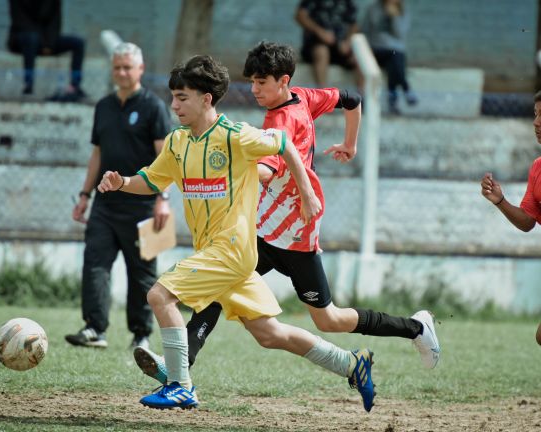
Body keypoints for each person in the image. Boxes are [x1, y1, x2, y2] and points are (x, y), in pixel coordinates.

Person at [132, 41, 440, 389]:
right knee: (218, 285)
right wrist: (350, 144)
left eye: (262, 82)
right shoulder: (304, 96)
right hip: (265, 228)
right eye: (252, 81)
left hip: (293, 231)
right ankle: (181, 365)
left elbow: (264, 170)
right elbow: (352, 99)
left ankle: (415, 328)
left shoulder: (281, 119)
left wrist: (221, 167)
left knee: (329, 319)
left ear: (283, 80)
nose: (254, 90)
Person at [98, 54, 377, 412]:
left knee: (159, 296)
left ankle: (180, 385)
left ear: (206, 99)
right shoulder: (178, 142)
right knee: (269, 334)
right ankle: (353, 365)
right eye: (173, 97)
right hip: (223, 255)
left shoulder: (234, 135)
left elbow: (283, 144)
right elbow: (152, 180)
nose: (174, 104)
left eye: (182, 97)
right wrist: (122, 182)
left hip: (230, 250)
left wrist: (307, 192)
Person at [64, 42, 172, 350]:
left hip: (143, 205)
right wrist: (85, 194)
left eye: (128, 67)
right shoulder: (103, 106)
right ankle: (94, 329)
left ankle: (141, 335)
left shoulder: (154, 107)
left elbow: (165, 158)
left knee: (142, 273)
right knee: (95, 264)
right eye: (117, 67)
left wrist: (163, 197)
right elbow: (97, 154)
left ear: (141, 69)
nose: (122, 72)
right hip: (104, 205)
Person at [480, 91, 541, 346]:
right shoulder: (538, 167)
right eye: (536, 114)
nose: (536, 123)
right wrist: (501, 201)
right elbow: (528, 220)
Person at [6, 0, 86, 102]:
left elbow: (55, 22)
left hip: (47, 41)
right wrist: (44, 43)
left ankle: (75, 86)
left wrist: (48, 44)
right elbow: (21, 22)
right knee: (31, 39)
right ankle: (28, 86)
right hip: (22, 38)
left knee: (78, 43)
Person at [359, 0, 417, 114]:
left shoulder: (403, 10)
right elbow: (365, 30)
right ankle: (405, 89)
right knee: (394, 61)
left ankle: (394, 97)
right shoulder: (373, 8)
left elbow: (400, 33)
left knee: (394, 60)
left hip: (395, 50)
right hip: (376, 48)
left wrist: (394, 17)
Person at [295, 0, 359, 87]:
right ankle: (323, 94)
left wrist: (347, 42)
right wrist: (320, 32)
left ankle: (363, 95)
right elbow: (300, 16)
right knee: (321, 52)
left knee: (359, 58)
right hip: (317, 43)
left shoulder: (347, 2)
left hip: (341, 46)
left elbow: (354, 25)